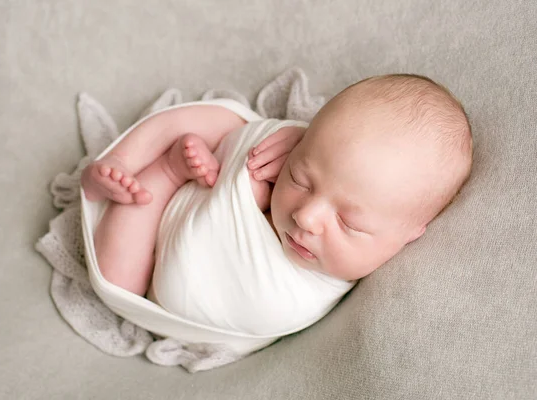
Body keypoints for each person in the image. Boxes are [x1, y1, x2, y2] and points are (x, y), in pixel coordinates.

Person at [81, 74, 472, 333]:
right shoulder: (309, 161)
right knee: (223, 119)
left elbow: (229, 294)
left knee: (118, 280)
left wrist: (246, 196)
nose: (306, 216)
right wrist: (293, 136)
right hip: (208, 182)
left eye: (349, 223)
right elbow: (328, 157)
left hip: (163, 277)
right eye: (302, 179)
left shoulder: (295, 295)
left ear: (411, 232)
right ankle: (122, 161)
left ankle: (164, 173)